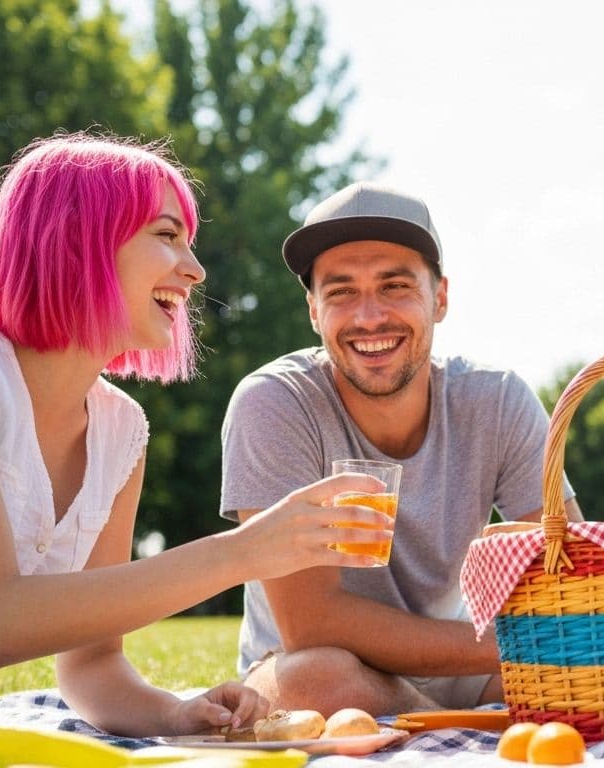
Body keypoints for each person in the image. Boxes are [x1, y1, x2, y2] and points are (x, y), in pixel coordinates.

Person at [0, 133, 393, 766]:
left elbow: (92, 663)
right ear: (78, 238)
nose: (195, 270)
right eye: (167, 236)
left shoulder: (122, 432)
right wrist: (245, 552)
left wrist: (177, 714)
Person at [220, 181, 583, 716]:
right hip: (318, 668)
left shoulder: (497, 399)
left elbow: (567, 571)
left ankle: (431, 727)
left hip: (461, 668)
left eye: (394, 286)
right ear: (314, 311)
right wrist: (528, 645)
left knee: (582, 679)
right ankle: (446, 731)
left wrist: (558, 648)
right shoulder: (275, 403)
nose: (369, 317)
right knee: (315, 681)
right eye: (341, 291)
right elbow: (311, 623)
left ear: (439, 298)